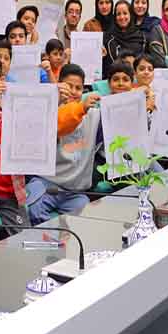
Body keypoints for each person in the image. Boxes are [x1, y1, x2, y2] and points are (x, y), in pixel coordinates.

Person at [0, 55, 86, 240]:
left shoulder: (16, 105)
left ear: (2, 79)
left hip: (11, 189)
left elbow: (39, 118)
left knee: (24, 235)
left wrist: (57, 99)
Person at [25, 64, 102, 224]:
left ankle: (64, 235)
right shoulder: (45, 110)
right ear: (59, 86)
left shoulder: (94, 115)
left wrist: (143, 105)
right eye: (68, 86)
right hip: (46, 183)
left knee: (84, 219)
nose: (73, 92)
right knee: (33, 211)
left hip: (74, 191)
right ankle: (55, 236)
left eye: (78, 88)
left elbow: (118, 122)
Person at [104, 0, 149, 72]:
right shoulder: (107, 38)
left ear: (130, 15)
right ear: (115, 17)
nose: (122, 17)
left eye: (125, 13)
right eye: (118, 14)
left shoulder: (142, 37)